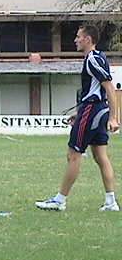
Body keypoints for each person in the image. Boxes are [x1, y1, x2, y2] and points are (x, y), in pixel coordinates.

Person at [36, 25, 120, 212]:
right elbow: (97, 89)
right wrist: (81, 112)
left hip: (93, 110)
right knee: (100, 156)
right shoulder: (100, 57)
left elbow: (109, 87)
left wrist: (115, 118)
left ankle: (59, 200)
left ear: (88, 39)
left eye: (78, 37)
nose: (75, 40)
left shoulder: (92, 60)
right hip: (95, 109)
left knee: (73, 154)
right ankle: (111, 202)